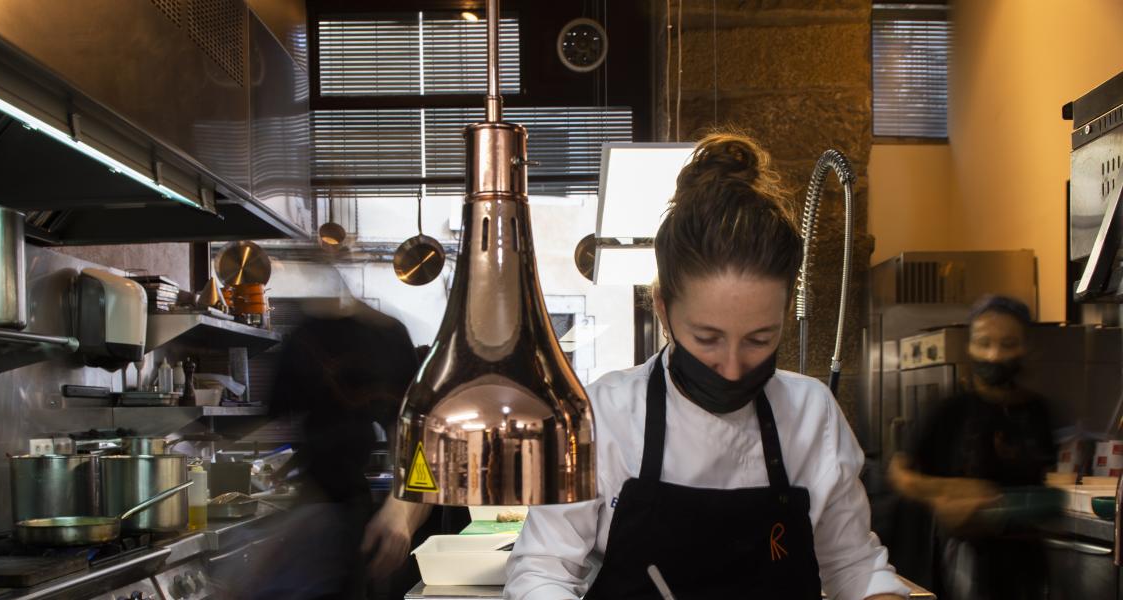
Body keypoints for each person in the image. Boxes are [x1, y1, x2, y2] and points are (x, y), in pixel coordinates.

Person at [504, 132, 907, 599]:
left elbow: (853, 565)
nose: (733, 369)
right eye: (707, 339)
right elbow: (542, 571)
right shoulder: (602, 416)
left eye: (760, 339)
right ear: (662, 308)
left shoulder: (811, 414)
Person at [227, 285, 433, 600]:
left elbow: (418, 446)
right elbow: (285, 428)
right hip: (316, 513)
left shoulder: (387, 336)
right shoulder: (302, 339)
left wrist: (400, 512)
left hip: (364, 517)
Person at [888, 295, 1056, 600]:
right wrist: (950, 492)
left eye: (1007, 344)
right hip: (961, 563)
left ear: (1025, 347)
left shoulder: (1037, 412)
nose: (994, 355)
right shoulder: (949, 410)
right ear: (969, 346)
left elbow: (1043, 484)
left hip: (1023, 564)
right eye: (983, 343)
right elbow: (900, 473)